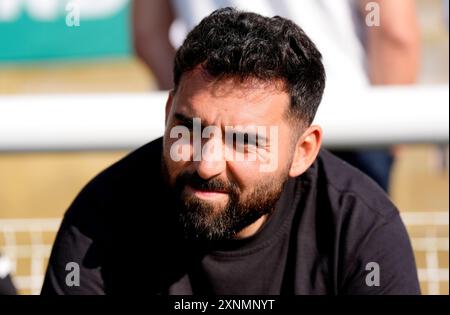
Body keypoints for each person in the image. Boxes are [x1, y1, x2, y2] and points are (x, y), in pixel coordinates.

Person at [42, 8, 420, 295]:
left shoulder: (361, 228)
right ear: (167, 110)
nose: (206, 164)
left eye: (243, 141)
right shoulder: (102, 216)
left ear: (303, 151)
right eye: (188, 129)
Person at [133, 0, 420, 192]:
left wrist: (193, 112)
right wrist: (386, 137)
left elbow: (148, 34)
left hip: (208, 132)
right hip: (351, 127)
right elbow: (395, 33)